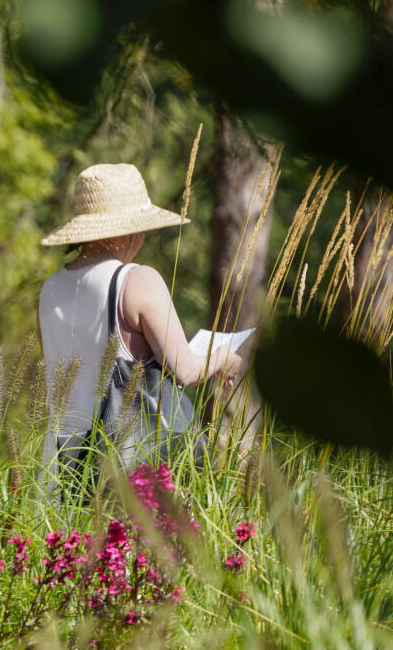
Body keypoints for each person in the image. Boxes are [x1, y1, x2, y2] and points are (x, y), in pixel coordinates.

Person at [38, 163, 243, 485]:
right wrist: (224, 358)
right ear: (131, 229)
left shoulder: (49, 289)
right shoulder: (136, 280)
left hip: (60, 460)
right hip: (125, 457)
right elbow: (186, 371)